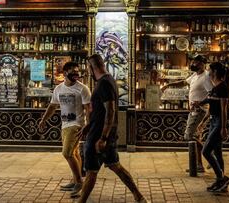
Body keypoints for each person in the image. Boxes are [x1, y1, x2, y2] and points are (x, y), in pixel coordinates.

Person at [77, 54, 147, 203]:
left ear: (91, 67)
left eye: (89, 68)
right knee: (115, 166)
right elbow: (101, 111)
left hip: (99, 136)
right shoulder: (105, 81)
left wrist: (103, 138)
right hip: (98, 131)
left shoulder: (104, 83)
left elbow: (110, 111)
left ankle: (81, 201)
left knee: (91, 171)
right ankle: (138, 196)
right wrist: (88, 125)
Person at [38, 61, 91, 198]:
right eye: (73, 71)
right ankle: (75, 179)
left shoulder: (82, 88)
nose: (76, 74)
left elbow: (88, 109)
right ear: (65, 73)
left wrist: (88, 124)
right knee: (74, 153)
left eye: (77, 71)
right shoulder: (58, 89)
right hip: (65, 124)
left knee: (67, 153)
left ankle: (79, 182)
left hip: (76, 124)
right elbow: (52, 106)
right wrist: (44, 120)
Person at [162, 55, 213, 173]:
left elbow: (212, 95)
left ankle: (210, 155)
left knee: (189, 136)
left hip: (200, 111)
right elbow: (184, 82)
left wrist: (201, 103)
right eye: (193, 61)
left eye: (196, 62)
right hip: (194, 111)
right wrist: (169, 85)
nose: (193, 64)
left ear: (202, 64)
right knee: (196, 136)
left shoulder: (206, 77)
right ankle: (199, 165)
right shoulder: (195, 75)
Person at [197, 62, 229, 193]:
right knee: (217, 153)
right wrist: (203, 122)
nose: (207, 71)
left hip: (219, 123)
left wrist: (223, 127)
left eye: (209, 69)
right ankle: (221, 183)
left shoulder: (223, 87)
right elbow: (211, 106)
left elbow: (224, 109)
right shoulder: (215, 87)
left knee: (205, 151)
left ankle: (221, 178)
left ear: (215, 71)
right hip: (213, 122)